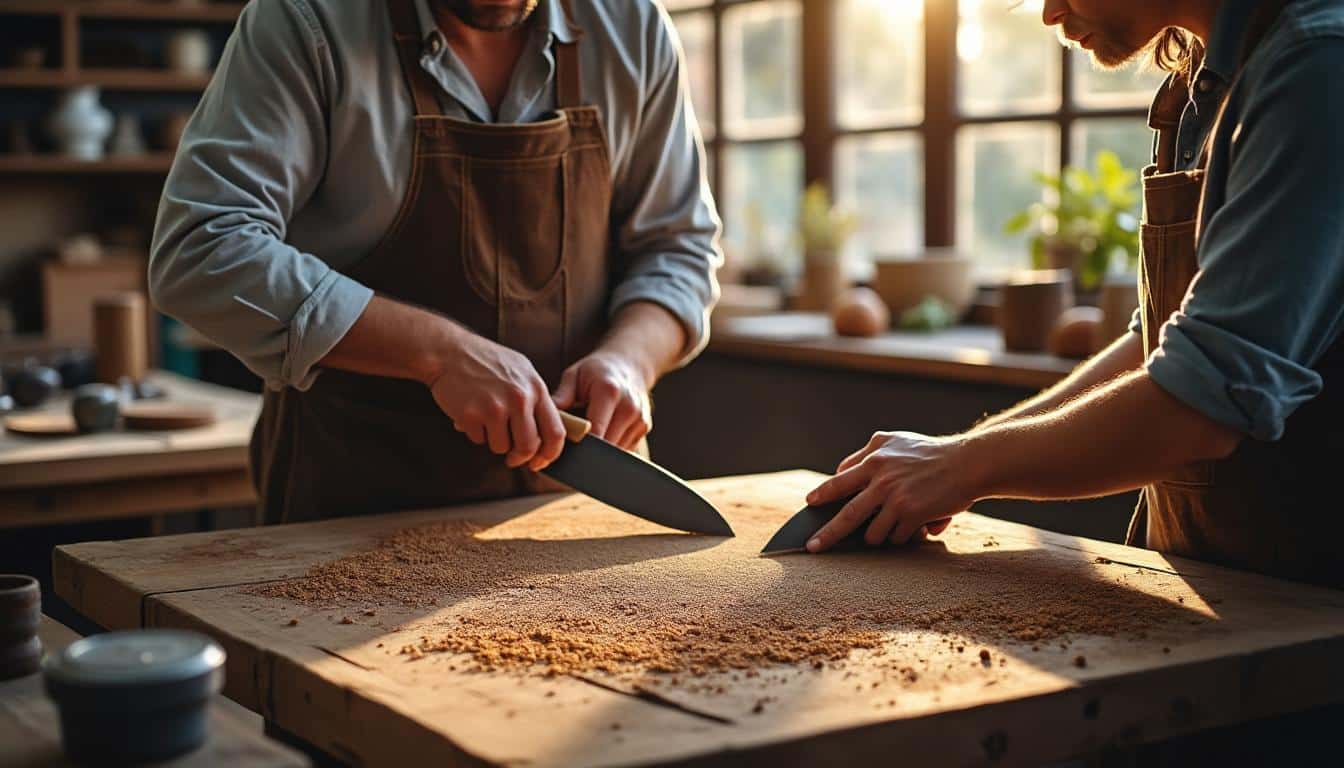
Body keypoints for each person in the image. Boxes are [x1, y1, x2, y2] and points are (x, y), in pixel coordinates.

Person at [806, 0, 1344, 588]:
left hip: (1313, 605)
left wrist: (960, 467)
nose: (1049, 12)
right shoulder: (1202, 85)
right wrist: (956, 454)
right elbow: (1160, 342)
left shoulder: (1318, 64)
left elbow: (1202, 404)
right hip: (1225, 586)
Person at [149, 0, 720, 523]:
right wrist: (438, 353)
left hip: (573, 508)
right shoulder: (305, 22)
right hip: (351, 511)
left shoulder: (634, 27)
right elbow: (202, 246)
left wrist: (629, 360)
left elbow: (679, 248)